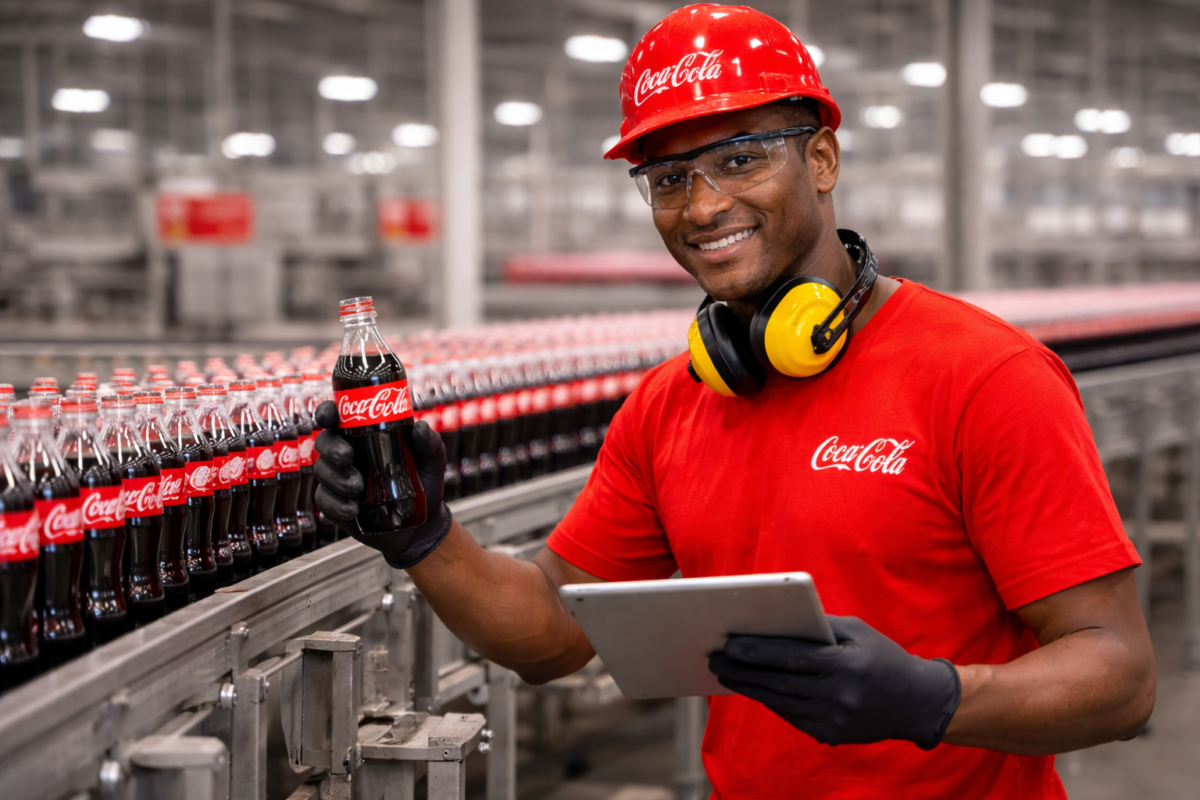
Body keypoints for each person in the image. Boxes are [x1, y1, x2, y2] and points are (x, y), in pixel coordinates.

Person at [313, 5, 1155, 798]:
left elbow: (1120, 677)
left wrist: (932, 698)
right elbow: (553, 635)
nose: (705, 206)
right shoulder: (670, 404)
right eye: (670, 177)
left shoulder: (983, 375)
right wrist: (424, 535)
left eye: (741, 158)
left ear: (821, 160)